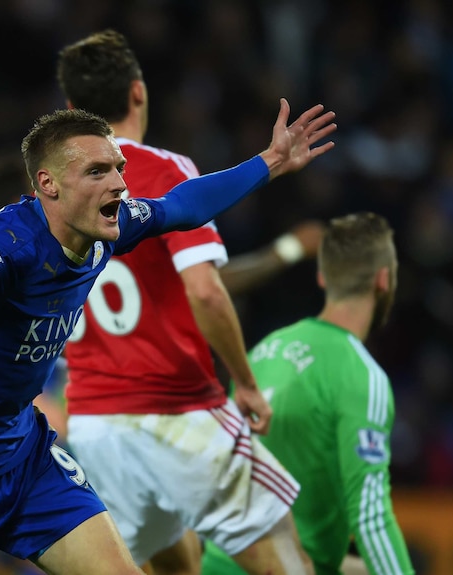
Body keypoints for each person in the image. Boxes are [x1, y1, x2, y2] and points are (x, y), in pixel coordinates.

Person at [0, 102, 335, 575]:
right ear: (49, 184)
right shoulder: (12, 241)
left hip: (23, 458)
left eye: (118, 169)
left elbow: (181, 206)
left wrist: (269, 161)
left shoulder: (107, 228)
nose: (120, 184)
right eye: (98, 172)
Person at [56, 29, 317, 575]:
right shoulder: (160, 169)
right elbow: (204, 288)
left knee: (175, 565)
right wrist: (244, 381)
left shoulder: (51, 197)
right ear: (138, 93)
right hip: (178, 410)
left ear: (72, 109)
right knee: (285, 562)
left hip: (96, 427)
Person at [201, 212, 415, 575]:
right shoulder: (362, 376)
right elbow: (370, 517)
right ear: (383, 280)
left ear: (322, 277)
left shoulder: (263, 351)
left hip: (221, 561)